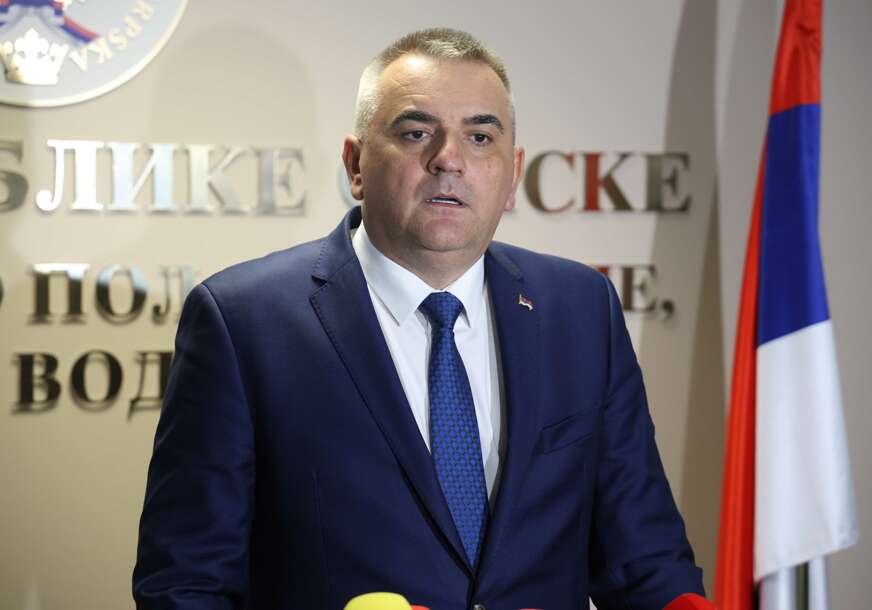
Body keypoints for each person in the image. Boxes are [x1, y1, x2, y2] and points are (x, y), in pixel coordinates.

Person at [133, 28, 706, 610]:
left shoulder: (581, 309)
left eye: (480, 137)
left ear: (512, 174)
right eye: (415, 133)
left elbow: (645, 561)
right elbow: (187, 584)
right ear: (355, 165)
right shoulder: (242, 322)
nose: (449, 160)